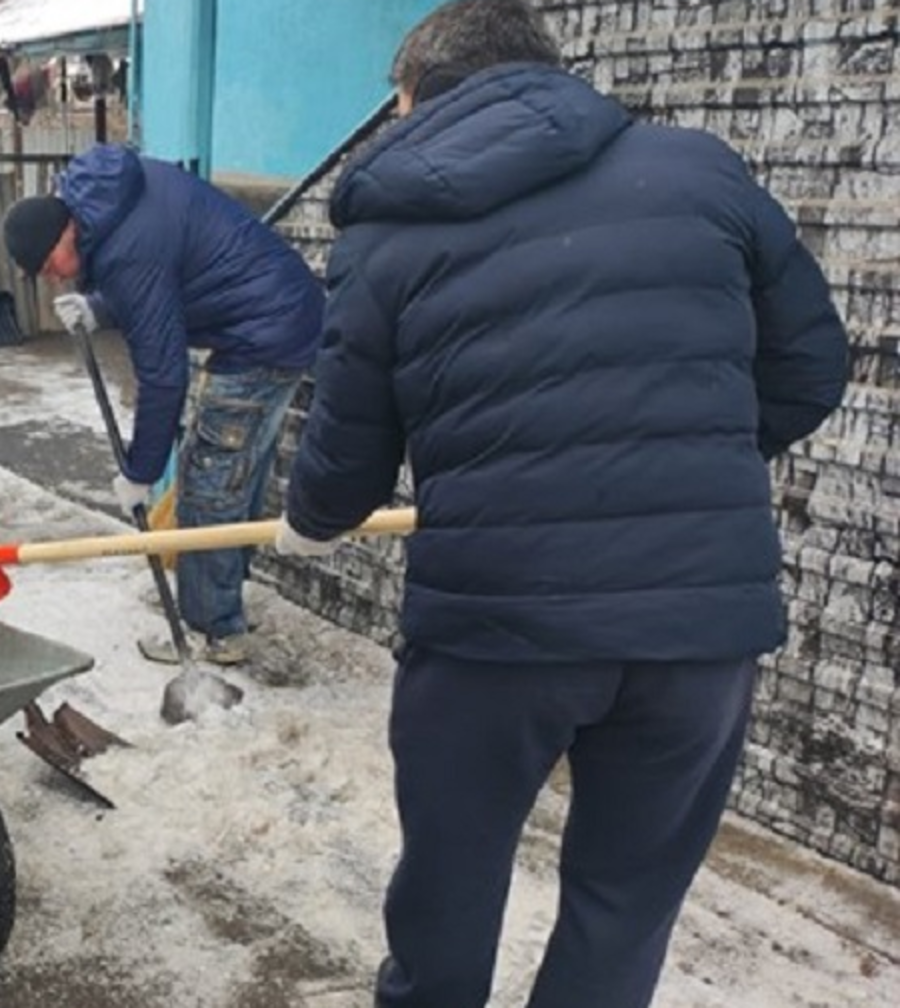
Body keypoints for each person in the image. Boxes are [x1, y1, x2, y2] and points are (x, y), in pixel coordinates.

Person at [272, 2, 850, 1005]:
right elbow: (813, 368)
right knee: (622, 910)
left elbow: (350, 459)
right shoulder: (700, 170)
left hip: (497, 631)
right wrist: (676, 461)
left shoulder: (390, 225)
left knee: (450, 885)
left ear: (415, 99)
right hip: (696, 633)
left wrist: (308, 519)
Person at [2, 146, 325, 666]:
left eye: (48, 267)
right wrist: (99, 306)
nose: (56, 277)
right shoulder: (104, 201)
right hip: (279, 316)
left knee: (210, 484)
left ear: (63, 234)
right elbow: (161, 281)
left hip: (261, 336)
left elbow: (162, 374)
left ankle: (212, 630)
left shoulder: (126, 249)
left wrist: (141, 470)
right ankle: (223, 606)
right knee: (235, 473)